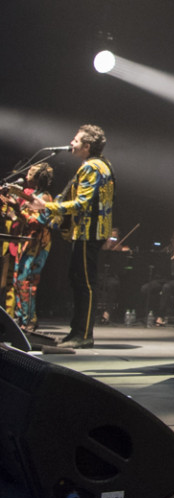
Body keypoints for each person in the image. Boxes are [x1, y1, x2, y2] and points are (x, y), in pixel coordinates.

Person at [33, 125, 114, 348]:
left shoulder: (92, 168)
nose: (71, 143)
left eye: (75, 141)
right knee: (79, 281)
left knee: (84, 284)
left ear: (87, 146)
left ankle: (83, 334)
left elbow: (82, 203)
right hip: (89, 232)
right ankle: (77, 332)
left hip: (89, 232)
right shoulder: (101, 164)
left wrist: (47, 206)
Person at [3, 162, 56, 330]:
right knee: (19, 281)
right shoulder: (32, 195)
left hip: (38, 244)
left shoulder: (44, 197)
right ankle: (22, 318)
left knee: (27, 281)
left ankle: (29, 320)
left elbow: (42, 220)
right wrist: (14, 207)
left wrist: (20, 212)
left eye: (30, 175)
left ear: (37, 179)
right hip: (26, 242)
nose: (26, 177)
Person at [140, 227, 174, 326]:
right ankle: (150, 313)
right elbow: (159, 262)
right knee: (146, 288)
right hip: (165, 278)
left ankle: (161, 316)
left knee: (167, 287)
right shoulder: (168, 249)